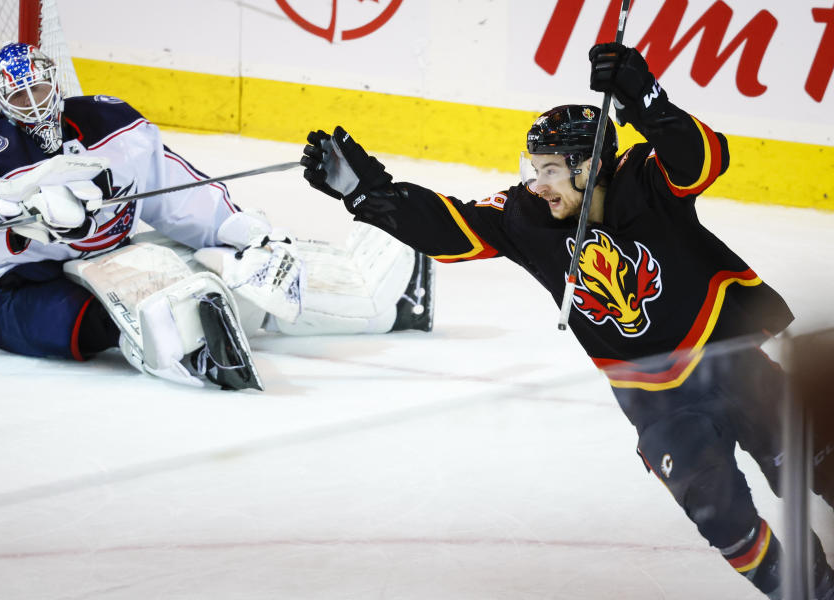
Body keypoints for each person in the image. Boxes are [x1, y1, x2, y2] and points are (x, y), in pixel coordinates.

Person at [300, 42, 834, 598]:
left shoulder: (645, 181)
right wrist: (368, 193)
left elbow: (706, 158)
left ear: (592, 164)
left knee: (824, 464)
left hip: (734, 366)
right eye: (536, 170)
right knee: (729, 528)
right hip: (660, 405)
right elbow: (451, 225)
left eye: (552, 170)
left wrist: (646, 98)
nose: (541, 184)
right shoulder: (529, 217)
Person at [0, 42, 433, 391]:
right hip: (15, 293)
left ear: (55, 83)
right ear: (1, 102)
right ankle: (195, 354)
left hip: (106, 259)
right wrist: (26, 210)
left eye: (39, 88)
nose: (34, 103)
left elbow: (175, 193)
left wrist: (239, 230)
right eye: (19, 95)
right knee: (120, 306)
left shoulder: (112, 123)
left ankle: (391, 300)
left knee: (233, 266)